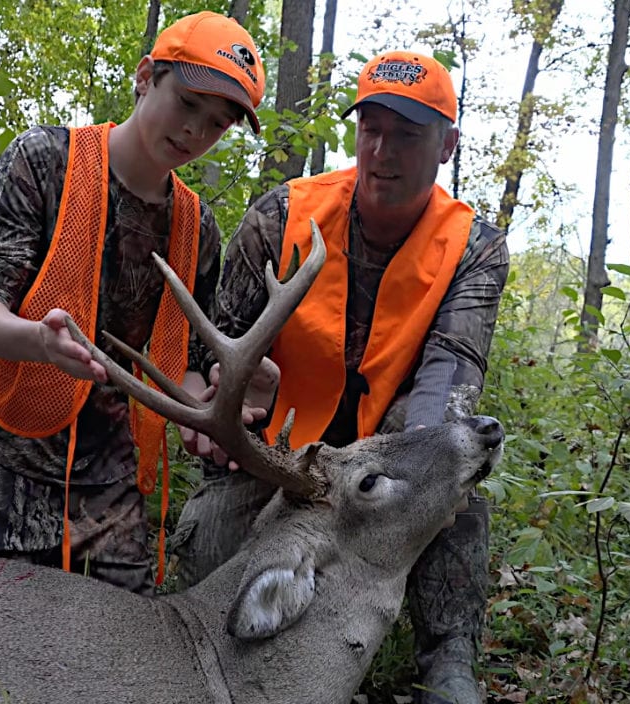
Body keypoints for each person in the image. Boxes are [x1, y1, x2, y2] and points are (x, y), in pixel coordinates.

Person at [171, 51, 509, 704]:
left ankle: (448, 670)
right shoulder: (283, 214)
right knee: (209, 585)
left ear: (448, 146)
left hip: (388, 452)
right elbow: (216, 347)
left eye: (407, 135)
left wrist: (409, 469)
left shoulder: (474, 248)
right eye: (371, 130)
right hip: (280, 457)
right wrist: (235, 388)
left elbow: (450, 377)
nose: (382, 151)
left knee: (458, 493)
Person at [0, 11, 266, 596]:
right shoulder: (44, 162)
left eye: (216, 123)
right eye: (186, 103)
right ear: (144, 76)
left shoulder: (197, 229)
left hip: (106, 478)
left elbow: (178, 363)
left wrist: (209, 408)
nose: (194, 132)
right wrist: (38, 340)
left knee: (130, 644)